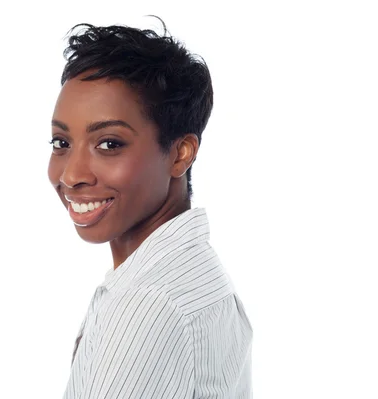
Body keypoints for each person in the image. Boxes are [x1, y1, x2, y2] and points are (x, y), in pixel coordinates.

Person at [47, 18, 253, 399]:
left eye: (109, 144)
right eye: (61, 142)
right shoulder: (191, 274)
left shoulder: (150, 305)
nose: (71, 174)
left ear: (180, 153)